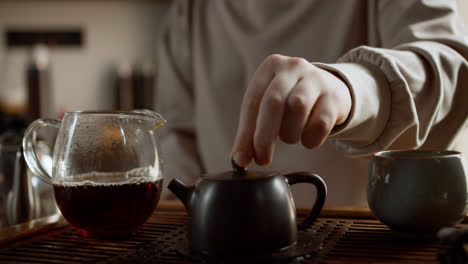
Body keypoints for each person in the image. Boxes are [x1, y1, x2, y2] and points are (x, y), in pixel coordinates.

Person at [156, 0, 468, 206]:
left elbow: (453, 71)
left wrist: (351, 88)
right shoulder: (190, 8)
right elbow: (178, 131)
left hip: (359, 243)